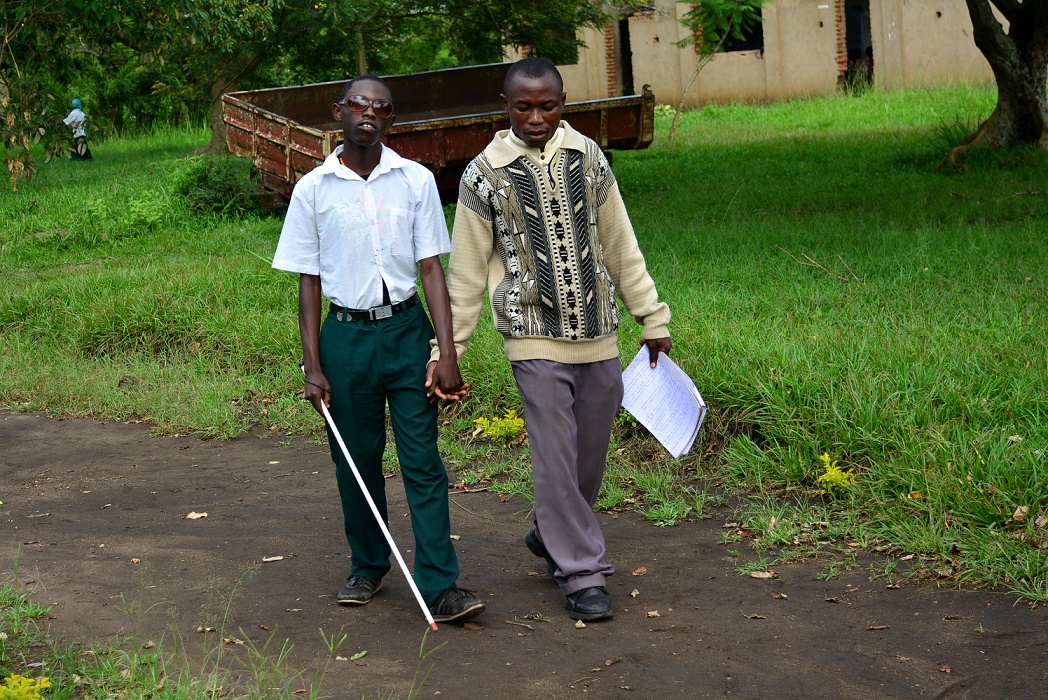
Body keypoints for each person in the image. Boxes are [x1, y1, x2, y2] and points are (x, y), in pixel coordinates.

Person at [436, 57, 671, 622]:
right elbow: (465, 274)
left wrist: (651, 317)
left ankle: (550, 528)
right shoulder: (483, 175)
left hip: (599, 333)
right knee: (555, 457)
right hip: (531, 338)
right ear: (505, 104)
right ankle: (582, 572)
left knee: (588, 455)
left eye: (548, 106)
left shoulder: (588, 157)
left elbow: (620, 244)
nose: (536, 117)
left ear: (563, 103)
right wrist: (451, 353)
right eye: (523, 106)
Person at [272, 74, 484, 624]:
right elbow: (308, 282)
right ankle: (368, 566)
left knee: (423, 462)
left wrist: (446, 350)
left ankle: (442, 585)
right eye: (360, 105)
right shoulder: (312, 190)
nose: (369, 113)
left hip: (408, 333)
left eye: (382, 108)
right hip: (345, 338)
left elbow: (433, 269)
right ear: (339, 112)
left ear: (391, 120)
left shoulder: (414, 181)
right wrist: (313, 365)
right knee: (356, 460)